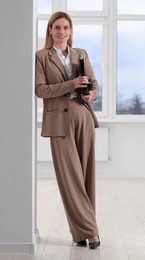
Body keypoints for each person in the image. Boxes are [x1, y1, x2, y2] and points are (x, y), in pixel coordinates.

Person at [35, 11, 100, 249]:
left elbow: (94, 84)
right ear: (50, 30)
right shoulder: (41, 57)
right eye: (57, 27)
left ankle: (80, 232)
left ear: (71, 30)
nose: (61, 31)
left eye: (66, 27)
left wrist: (91, 93)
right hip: (58, 121)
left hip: (83, 115)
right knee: (70, 177)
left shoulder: (80, 54)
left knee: (86, 176)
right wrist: (69, 85)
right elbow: (40, 90)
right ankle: (91, 231)